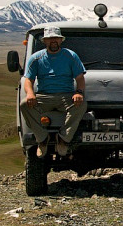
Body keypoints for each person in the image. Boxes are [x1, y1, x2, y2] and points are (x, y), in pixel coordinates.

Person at [20, 27, 87, 158]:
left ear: (61, 40)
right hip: (44, 95)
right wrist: (30, 94)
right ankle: (42, 140)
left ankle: (63, 140)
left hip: (66, 95)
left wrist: (79, 92)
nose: (53, 41)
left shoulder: (71, 56)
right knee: (24, 105)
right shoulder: (36, 58)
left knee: (81, 105)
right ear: (45, 41)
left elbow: (80, 78)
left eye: (56, 38)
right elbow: (28, 79)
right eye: (50, 39)